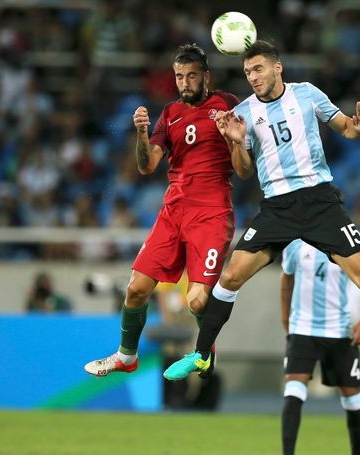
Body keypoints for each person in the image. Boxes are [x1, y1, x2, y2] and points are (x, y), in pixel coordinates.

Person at [164, 40, 360, 381]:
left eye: (259, 69)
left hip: (319, 201)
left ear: (278, 67)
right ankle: (201, 355)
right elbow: (244, 170)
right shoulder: (243, 112)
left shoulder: (307, 93)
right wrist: (234, 140)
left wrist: (359, 129)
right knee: (230, 276)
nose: (254, 78)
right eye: (248, 73)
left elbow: (347, 127)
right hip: (277, 207)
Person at [83, 44, 246, 377]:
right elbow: (147, 165)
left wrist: (234, 139)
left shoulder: (227, 104)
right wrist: (142, 134)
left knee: (197, 300)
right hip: (173, 212)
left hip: (211, 214)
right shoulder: (170, 114)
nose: (185, 82)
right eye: (179, 76)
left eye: (191, 76)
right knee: (136, 288)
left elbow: (245, 168)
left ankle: (205, 353)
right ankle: (126, 356)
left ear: (206, 77)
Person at [279, 240, 360, 455]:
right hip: (303, 330)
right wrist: (285, 318)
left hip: (340, 332)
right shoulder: (294, 245)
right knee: (294, 389)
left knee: (353, 398)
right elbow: (286, 281)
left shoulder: (344, 241)